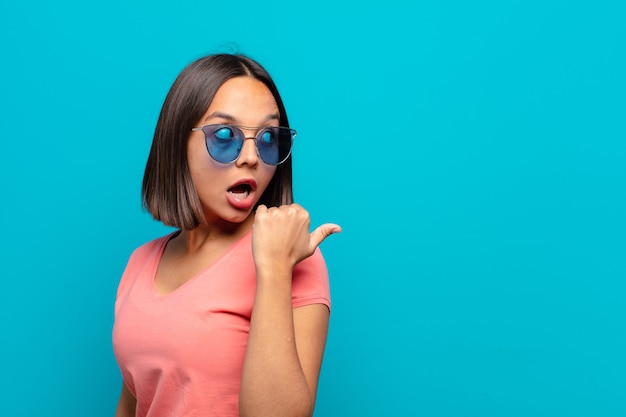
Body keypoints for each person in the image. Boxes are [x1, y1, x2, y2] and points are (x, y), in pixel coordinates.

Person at [112, 53, 341, 417]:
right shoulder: (140, 263)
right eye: (224, 136)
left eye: (267, 137)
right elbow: (136, 402)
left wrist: (275, 269)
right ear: (177, 143)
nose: (251, 156)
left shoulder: (295, 259)